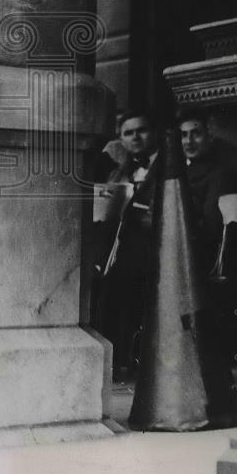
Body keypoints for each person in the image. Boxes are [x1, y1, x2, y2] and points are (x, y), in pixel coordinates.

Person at [179, 109, 237, 360]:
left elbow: (212, 223)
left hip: (211, 250)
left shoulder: (221, 170)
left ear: (210, 136)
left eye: (196, 134)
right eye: (183, 135)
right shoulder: (182, 168)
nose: (188, 141)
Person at [95, 109, 159, 378]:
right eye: (128, 133)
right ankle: (114, 359)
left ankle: (126, 359)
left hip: (151, 245)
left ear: (153, 133)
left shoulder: (167, 165)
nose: (135, 137)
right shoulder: (121, 169)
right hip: (120, 245)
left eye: (141, 130)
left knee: (123, 284)